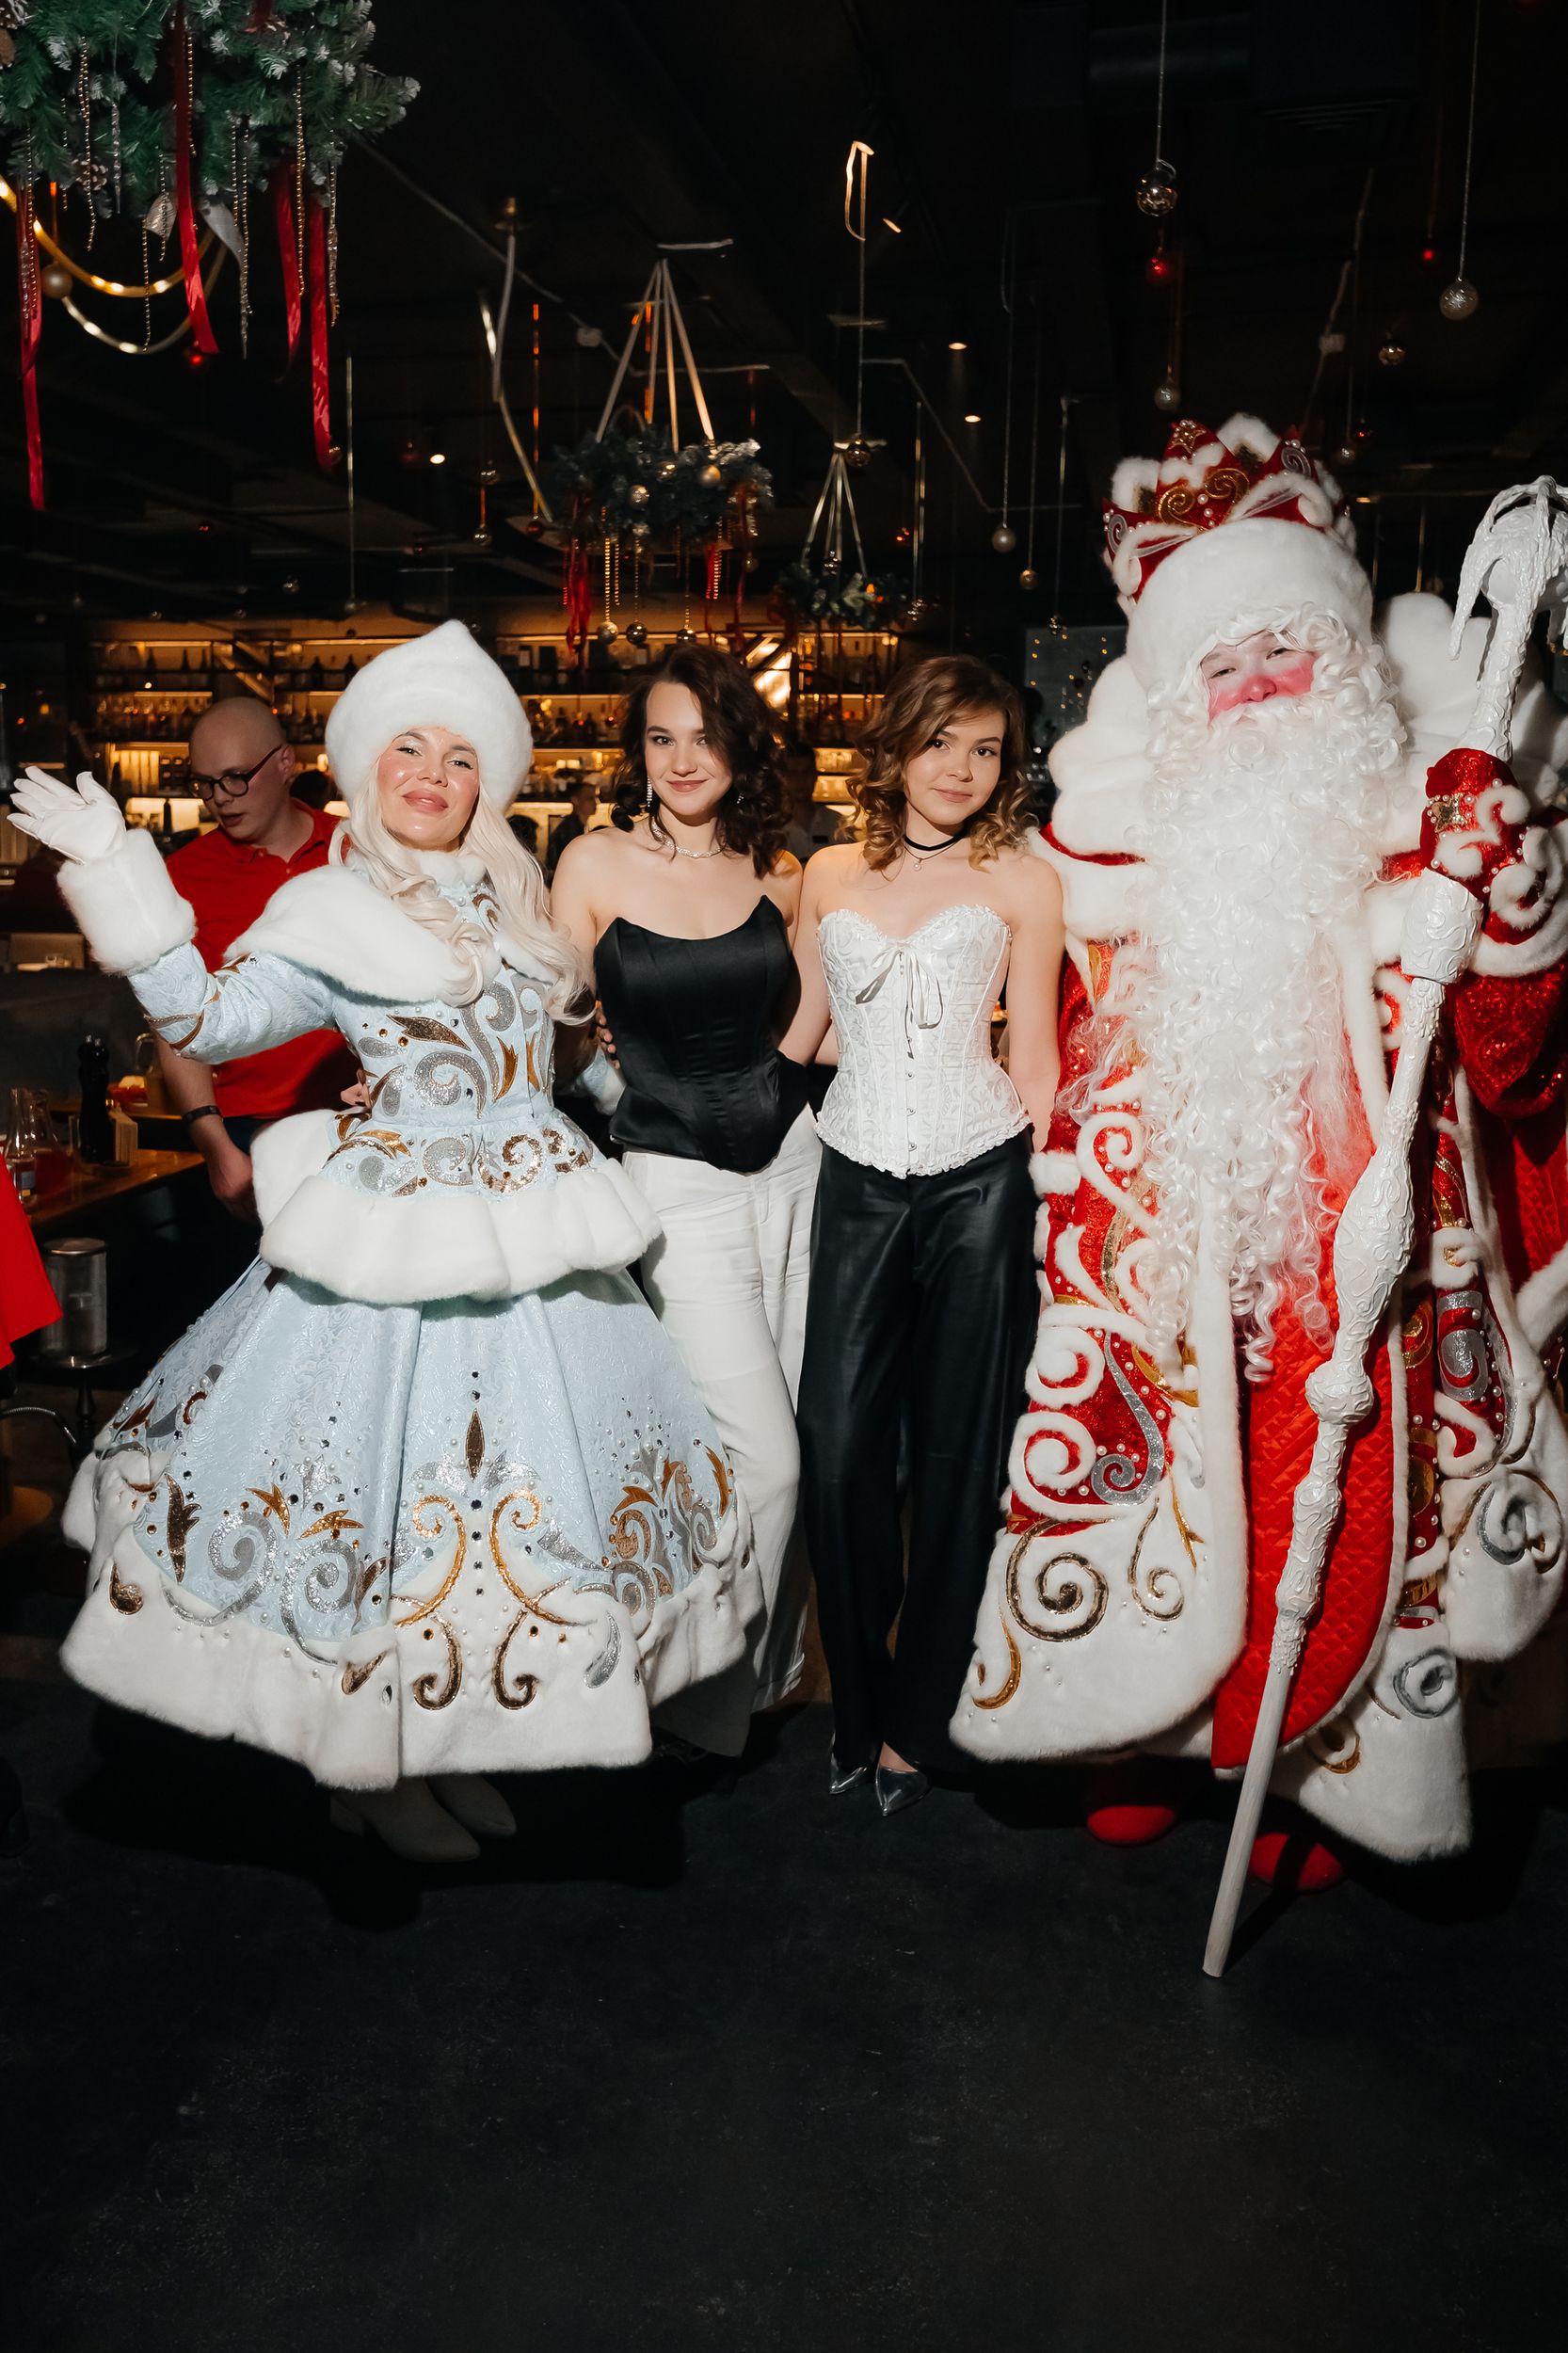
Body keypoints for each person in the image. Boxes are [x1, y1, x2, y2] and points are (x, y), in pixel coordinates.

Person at [10, 621, 758, 1865]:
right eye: (408, 747)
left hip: (533, 1229)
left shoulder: (513, 896)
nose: (431, 773)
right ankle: (366, 1768)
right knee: (377, 1515)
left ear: (486, 783)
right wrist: (117, 873)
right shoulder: (330, 907)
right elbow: (208, 1019)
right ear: (364, 767)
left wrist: (676, 1106)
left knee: (491, 1517)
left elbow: (561, 1060)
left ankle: (443, 1745)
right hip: (395, 1240)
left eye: (459, 756)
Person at [955, 414, 1568, 1886]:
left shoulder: (1438, 846)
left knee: (1348, 1515)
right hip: (1161, 1269)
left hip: (1366, 1275)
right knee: (1151, 1491)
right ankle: (1142, 1739)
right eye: (1217, 666)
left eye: (1280, 649)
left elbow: (1513, 1065)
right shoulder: (1103, 873)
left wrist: (1509, 910)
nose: (1251, 686)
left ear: (1343, 667)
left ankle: (1319, 1773)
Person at [782, 654, 1064, 1814]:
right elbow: (806, 1033)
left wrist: (1048, 1210)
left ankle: (920, 1720)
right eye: (941, 740)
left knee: (960, 1456)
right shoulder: (830, 871)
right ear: (896, 744)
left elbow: (1033, 1056)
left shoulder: (1025, 880)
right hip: (853, 1172)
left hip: (980, 1181)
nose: (960, 767)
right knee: (837, 1447)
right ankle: (856, 1708)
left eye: (986, 749)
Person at [551, 642, 818, 1757]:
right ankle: (688, 1696)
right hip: (672, 1180)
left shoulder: (780, 867)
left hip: (795, 1168)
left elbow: (809, 1018)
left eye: (703, 736)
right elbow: (552, 1041)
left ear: (739, 745)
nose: (680, 759)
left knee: (796, 1441)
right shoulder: (592, 862)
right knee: (763, 1460)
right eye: (659, 738)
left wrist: (795, 1088)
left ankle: (762, 1682)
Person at [161, 696, 357, 1225]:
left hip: (363, 1120)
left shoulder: (358, 853)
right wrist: (216, 1147)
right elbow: (175, 1027)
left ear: (286, 763)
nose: (220, 799)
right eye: (205, 784)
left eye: (235, 778)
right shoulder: (182, 876)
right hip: (243, 1131)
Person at [545, 777, 599, 882]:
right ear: (575, 800)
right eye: (590, 798)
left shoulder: (577, 825)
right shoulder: (569, 830)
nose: (596, 802)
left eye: (597, 797)